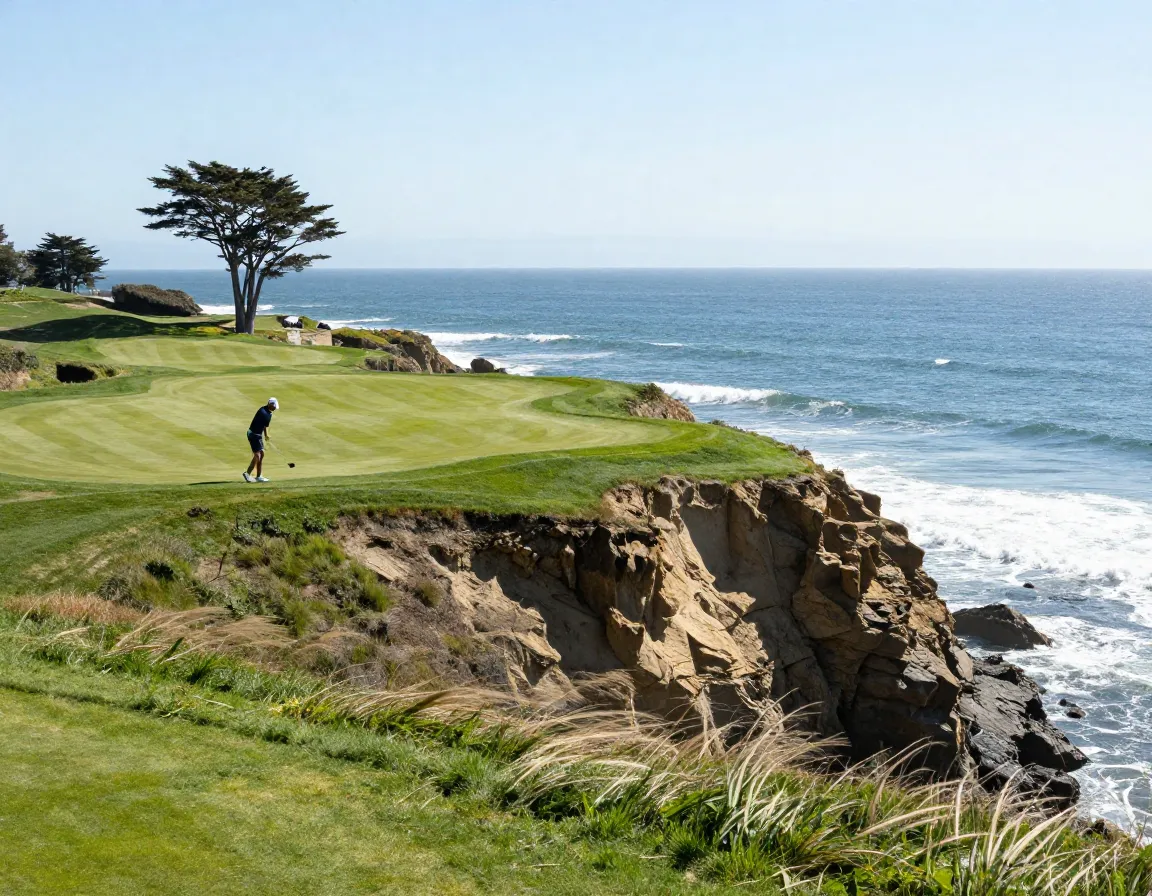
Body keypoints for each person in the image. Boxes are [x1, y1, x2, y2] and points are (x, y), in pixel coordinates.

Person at [243, 397, 278, 482]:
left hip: (257, 435)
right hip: (253, 435)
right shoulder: (263, 412)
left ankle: (259, 476)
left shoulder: (266, 411)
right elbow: (265, 425)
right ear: (270, 405)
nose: (275, 409)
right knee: (258, 455)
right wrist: (266, 435)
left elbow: (264, 426)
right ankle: (247, 474)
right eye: (274, 407)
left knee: (261, 454)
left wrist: (266, 435)